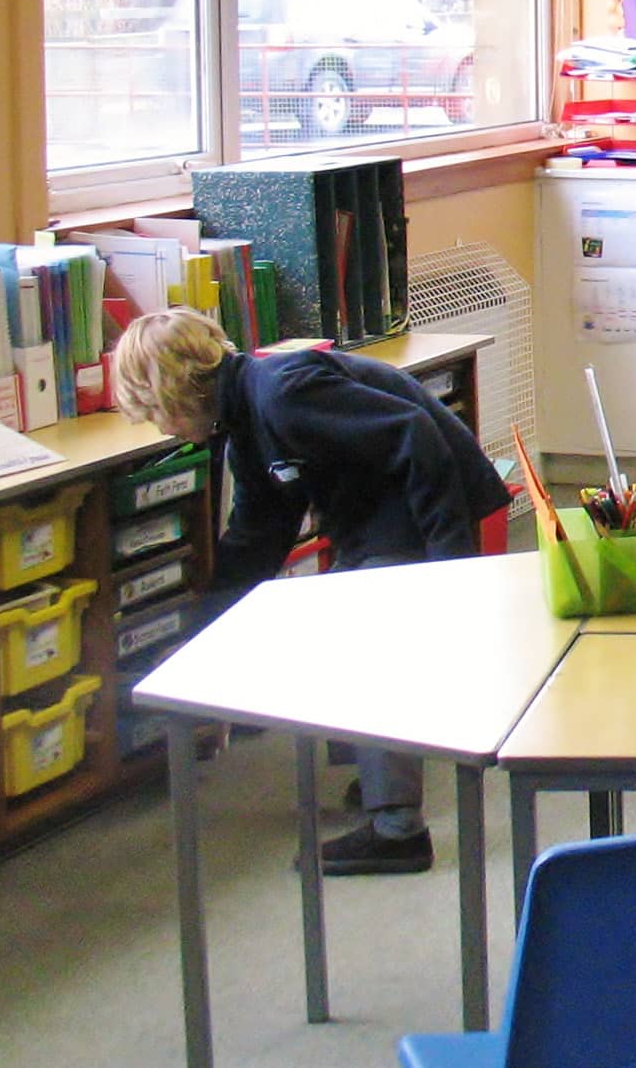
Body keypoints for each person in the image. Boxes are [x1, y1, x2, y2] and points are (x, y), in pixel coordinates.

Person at [111, 308, 510, 876]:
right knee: (342, 625)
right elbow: (257, 535)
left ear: (172, 392)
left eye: (155, 414)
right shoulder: (246, 423)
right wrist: (201, 628)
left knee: (365, 638)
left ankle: (398, 829)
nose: (162, 429)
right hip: (373, 507)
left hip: (416, 500)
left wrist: (451, 568)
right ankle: (380, 775)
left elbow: (416, 437)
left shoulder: (282, 393)